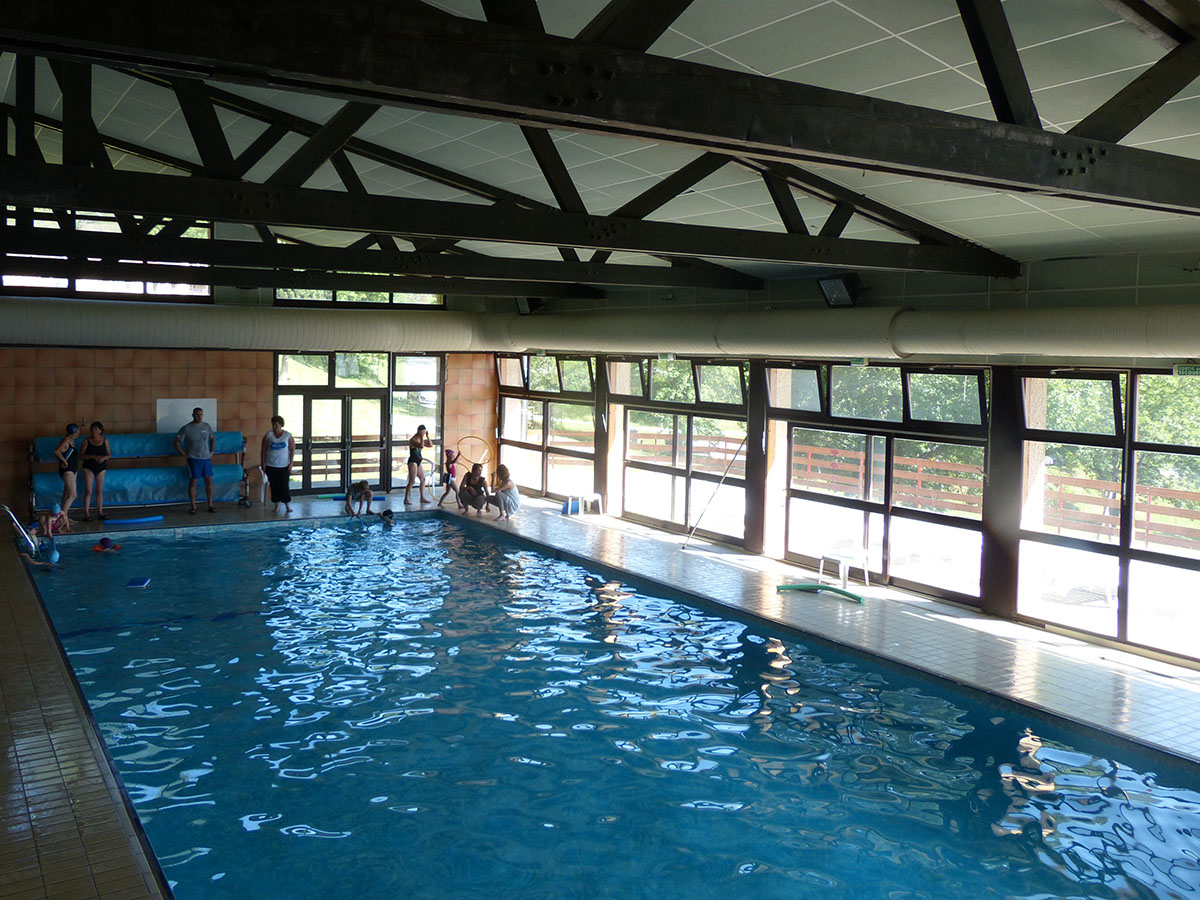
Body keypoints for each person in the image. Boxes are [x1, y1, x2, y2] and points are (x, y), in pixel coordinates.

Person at [174, 407, 216, 514]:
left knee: (209, 481)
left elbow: (212, 438)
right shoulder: (187, 428)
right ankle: (193, 506)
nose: (200, 417)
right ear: (193, 415)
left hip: (206, 458)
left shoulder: (206, 426)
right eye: (197, 415)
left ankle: (210, 505)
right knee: (194, 481)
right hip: (194, 458)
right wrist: (184, 455)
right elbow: (176, 442)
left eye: (201, 415)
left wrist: (212, 451)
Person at [260, 415, 296, 513]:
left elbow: (292, 449)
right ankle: (276, 506)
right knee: (274, 486)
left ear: (281, 425)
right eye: (273, 424)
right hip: (271, 465)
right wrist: (263, 462)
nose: (275, 426)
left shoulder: (287, 435)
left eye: (276, 424)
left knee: (284, 485)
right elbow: (263, 449)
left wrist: (291, 462)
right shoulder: (269, 435)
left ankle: (287, 505)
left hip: (284, 465)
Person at [80, 421, 112, 522]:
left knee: (99, 491)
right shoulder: (86, 441)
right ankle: (86, 513)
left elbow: (109, 454)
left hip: (101, 468)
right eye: (92, 429)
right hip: (88, 467)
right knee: (88, 491)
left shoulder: (105, 441)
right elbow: (81, 455)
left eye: (96, 429)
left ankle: (100, 512)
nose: (94, 431)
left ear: (100, 430)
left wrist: (104, 458)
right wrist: (93, 457)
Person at [404, 424, 434, 506]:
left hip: (418, 462)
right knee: (412, 481)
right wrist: (421, 436)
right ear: (419, 431)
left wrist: (427, 437)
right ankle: (406, 498)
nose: (423, 434)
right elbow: (421, 446)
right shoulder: (413, 439)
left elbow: (431, 445)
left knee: (423, 479)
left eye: (424, 433)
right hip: (412, 462)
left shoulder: (422, 439)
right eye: (423, 433)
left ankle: (422, 497)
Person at [54, 423, 79, 518]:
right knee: (73, 494)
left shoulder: (71, 440)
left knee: (67, 494)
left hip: (73, 469)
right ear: (74, 432)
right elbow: (57, 451)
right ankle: (62, 518)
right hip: (67, 470)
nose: (79, 433)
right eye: (78, 431)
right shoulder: (66, 440)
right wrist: (64, 461)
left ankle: (65, 516)